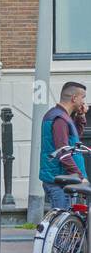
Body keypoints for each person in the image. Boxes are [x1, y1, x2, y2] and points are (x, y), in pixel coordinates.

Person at [39, 81, 88, 209]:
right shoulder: (60, 119)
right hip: (61, 182)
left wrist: (81, 116)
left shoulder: (61, 116)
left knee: (64, 222)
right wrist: (80, 176)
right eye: (83, 97)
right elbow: (63, 151)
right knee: (61, 224)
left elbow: (73, 140)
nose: (84, 102)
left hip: (64, 179)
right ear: (74, 98)